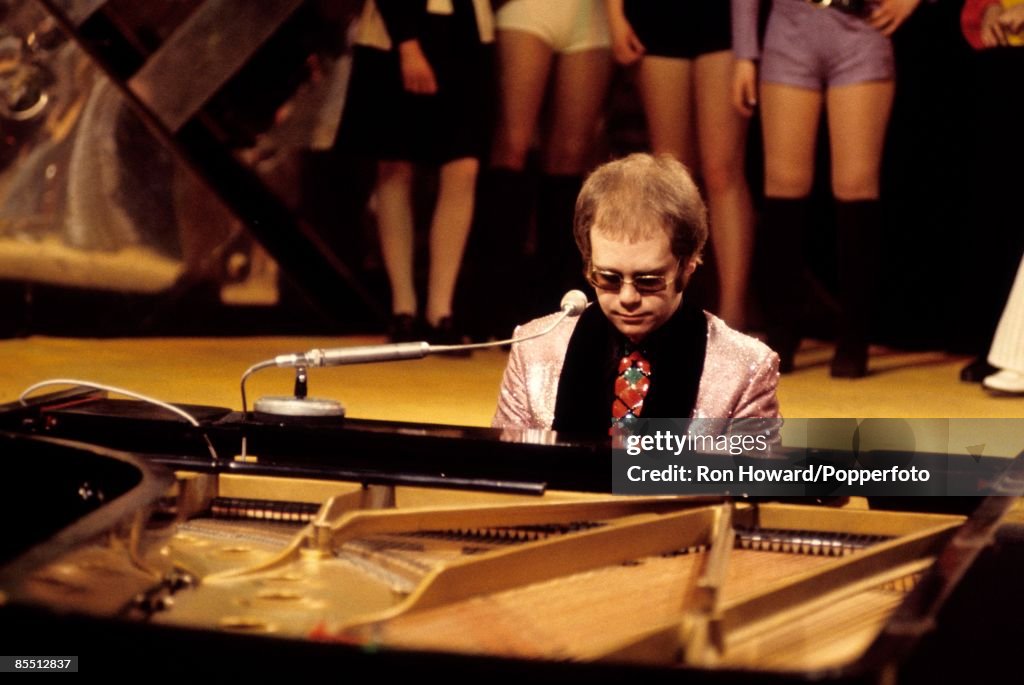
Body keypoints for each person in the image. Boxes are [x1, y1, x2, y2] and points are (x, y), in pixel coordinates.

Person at [493, 154, 780, 435]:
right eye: (608, 278)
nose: (628, 297)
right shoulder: (533, 349)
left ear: (689, 264)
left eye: (648, 281)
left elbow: (752, 480)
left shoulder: (746, 368)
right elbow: (508, 470)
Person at [731, 0, 921, 378]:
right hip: (789, 32)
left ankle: (854, 340)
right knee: (784, 186)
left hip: (861, 33)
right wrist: (744, 53)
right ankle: (781, 332)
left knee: (856, 187)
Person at [338, 0, 494, 343]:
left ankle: (441, 310)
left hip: (467, 31)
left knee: (463, 166)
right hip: (396, 33)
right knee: (394, 167)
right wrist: (408, 44)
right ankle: (402, 307)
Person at [604, 0, 755, 330]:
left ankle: (733, 313)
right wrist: (615, 17)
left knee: (721, 171)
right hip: (657, 21)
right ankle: (671, 306)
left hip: (722, 22)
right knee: (673, 174)